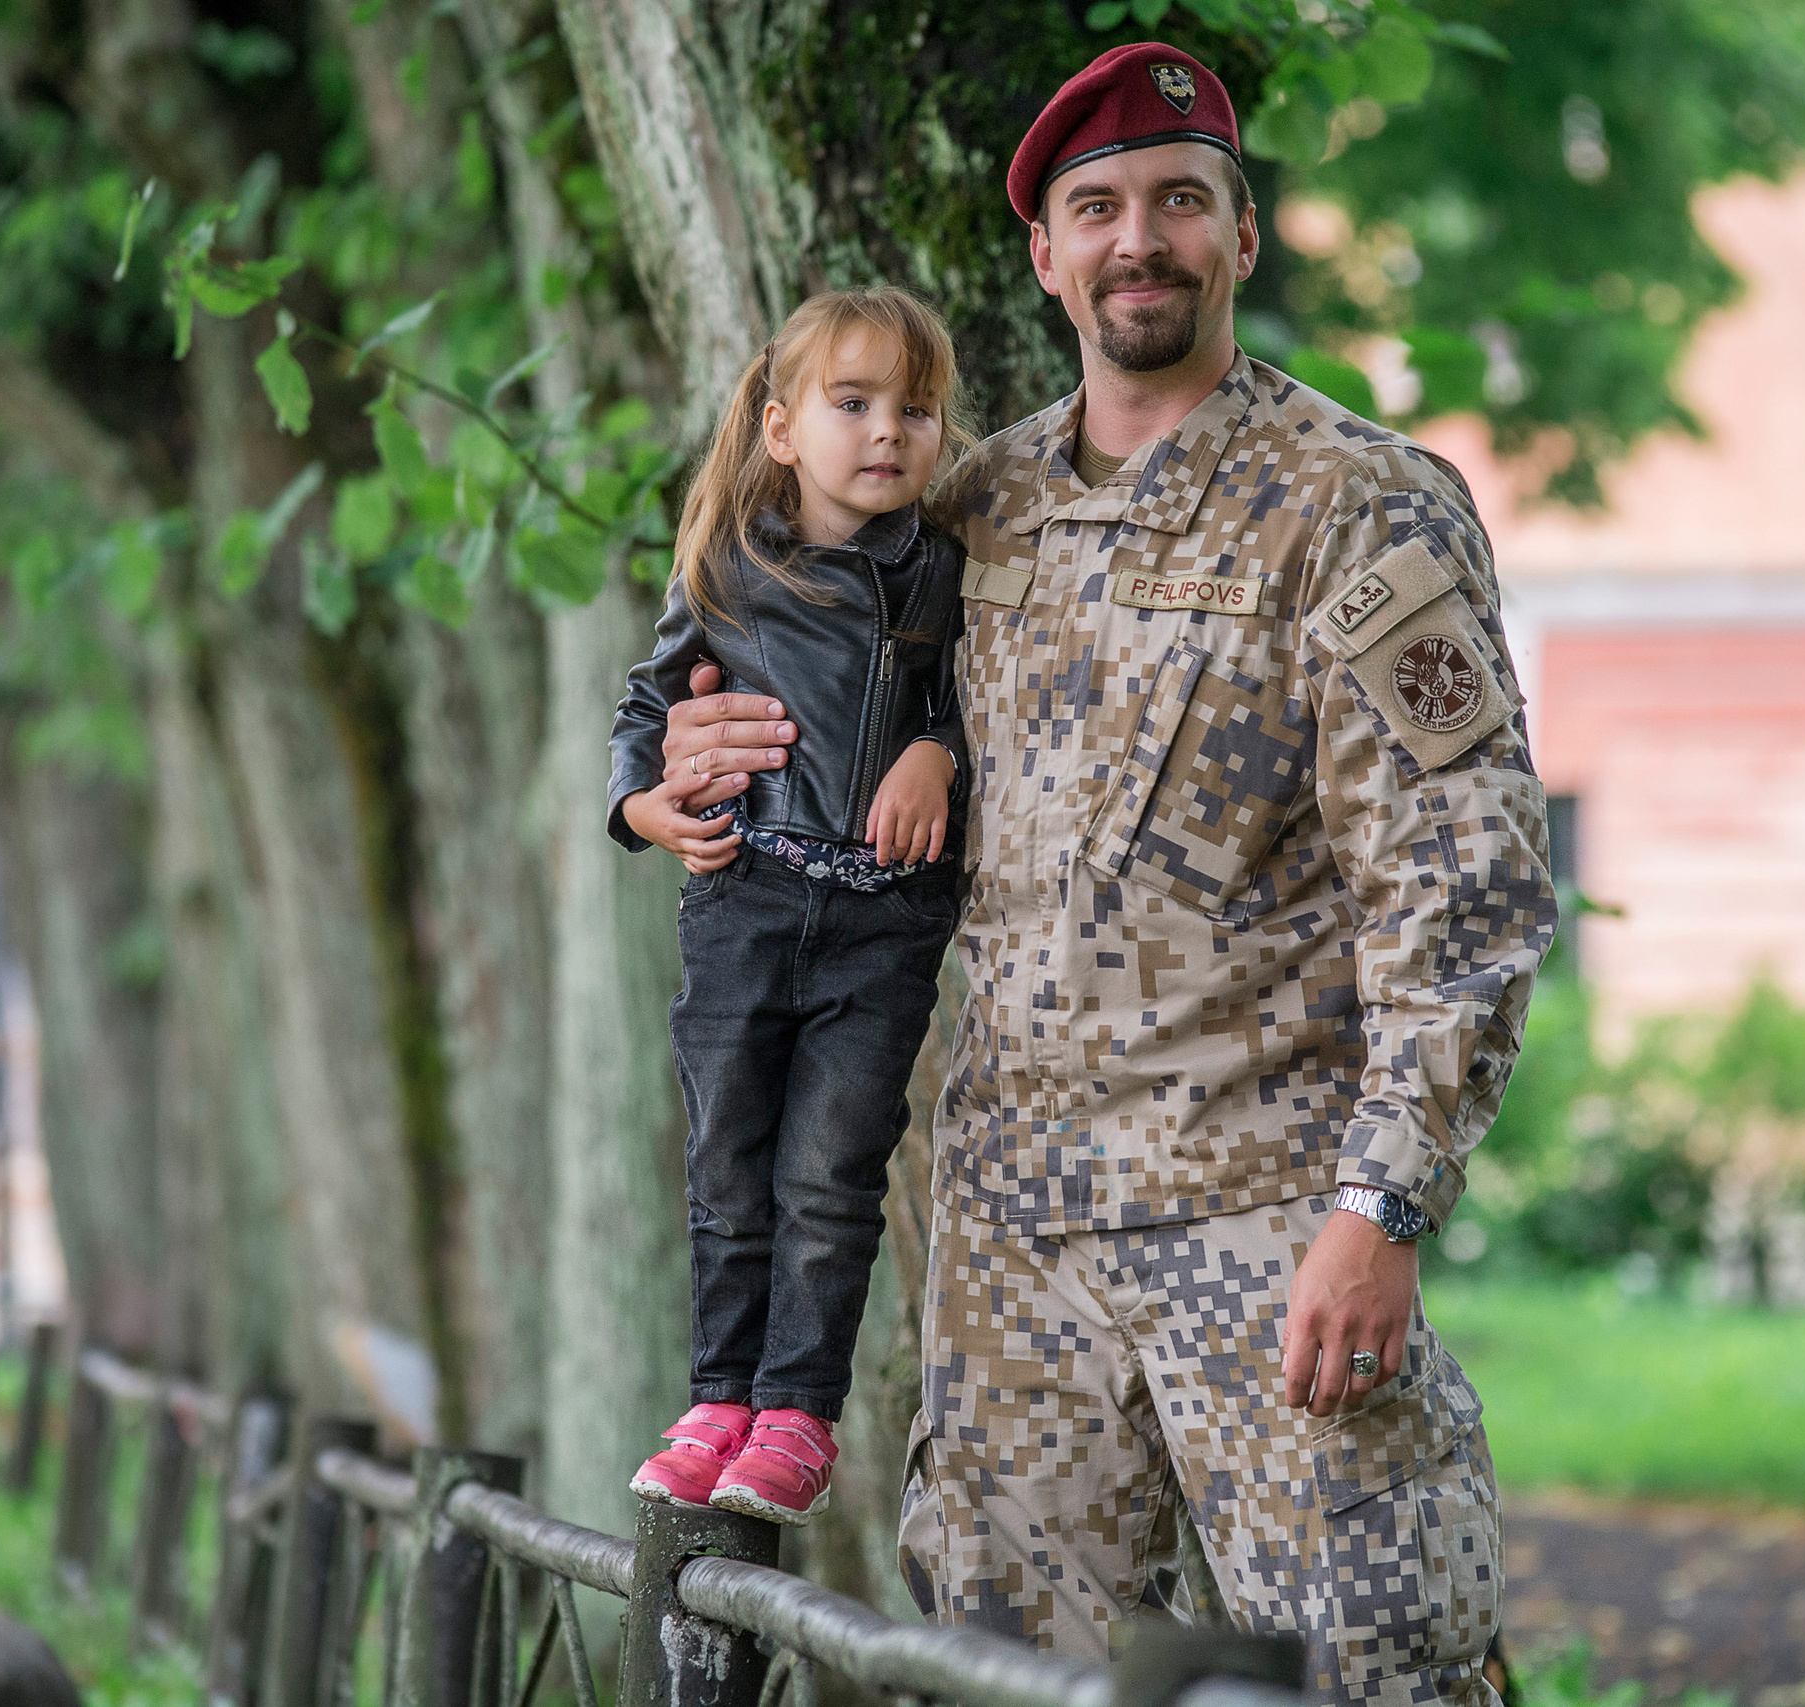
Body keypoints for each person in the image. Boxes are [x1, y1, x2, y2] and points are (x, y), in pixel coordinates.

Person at [652, 42, 1554, 1703]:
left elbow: (1461, 890)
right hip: (1015, 1257)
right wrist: (687, 772)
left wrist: (1385, 1202)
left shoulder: (1360, 508)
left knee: (1378, 1664)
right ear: (1050, 257)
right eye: (1100, 209)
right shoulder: (967, 509)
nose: (1142, 238)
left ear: (1240, 236)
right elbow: (773, 682)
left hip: (1269, 1228)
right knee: (996, 1674)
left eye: (1181, 203)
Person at [606, 287, 974, 1525]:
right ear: (780, 427)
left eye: (915, 412)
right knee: (727, 1158)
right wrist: (640, 807)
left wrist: (940, 752)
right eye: (854, 403)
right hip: (744, 900)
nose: (888, 433)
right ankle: (717, 1397)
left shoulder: (946, 565)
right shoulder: (727, 567)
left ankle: (795, 1416)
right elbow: (645, 713)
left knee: (828, 1169)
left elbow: (993, 701)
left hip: (882, 923)